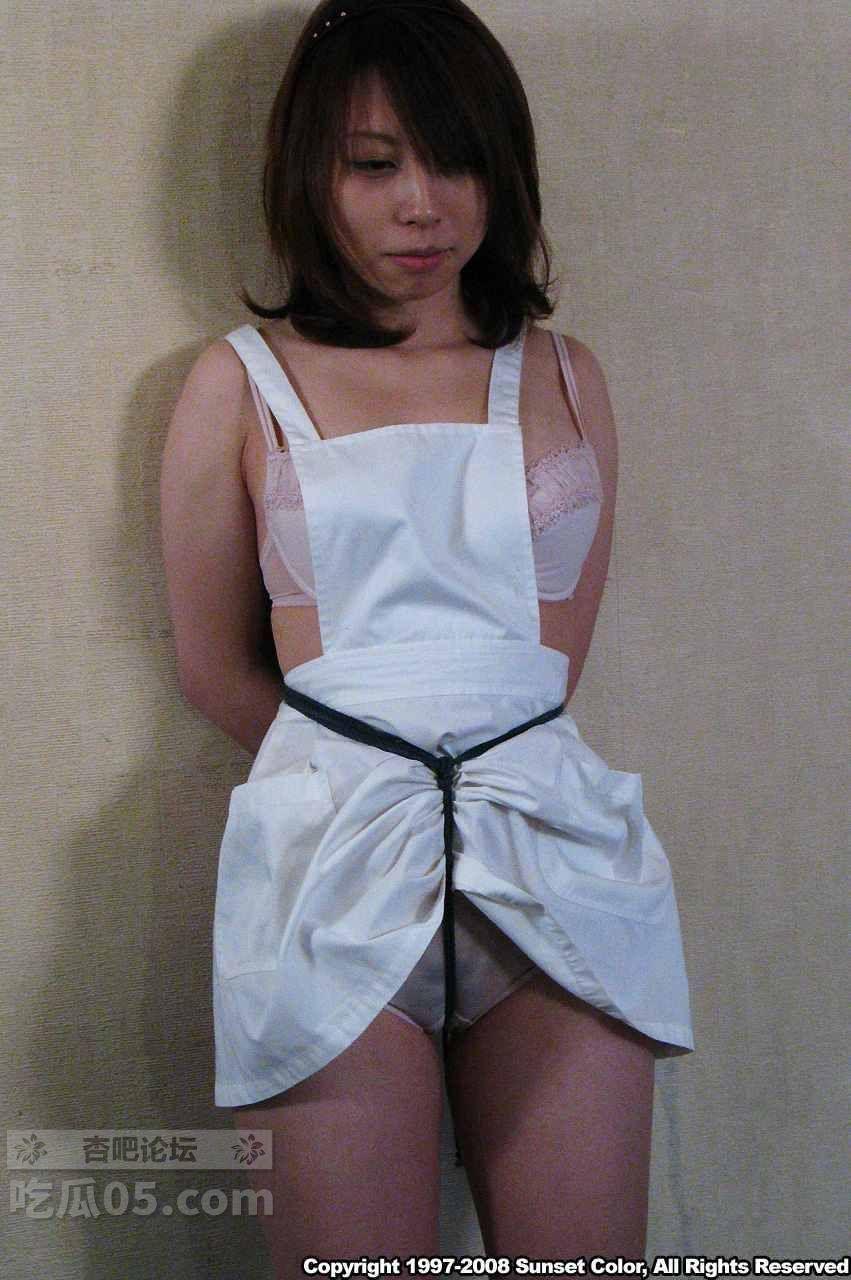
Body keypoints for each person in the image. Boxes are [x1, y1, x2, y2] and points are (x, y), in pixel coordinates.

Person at [160, 0, 694, 1268]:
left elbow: (549, 663)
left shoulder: (566, 375)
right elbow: (211, 663)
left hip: (552, 853)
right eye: (373, 163)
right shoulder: (236, 382)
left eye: (456, 161)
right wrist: (362, 775)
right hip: (330, 871)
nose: (422, 205)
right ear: (310, 172)